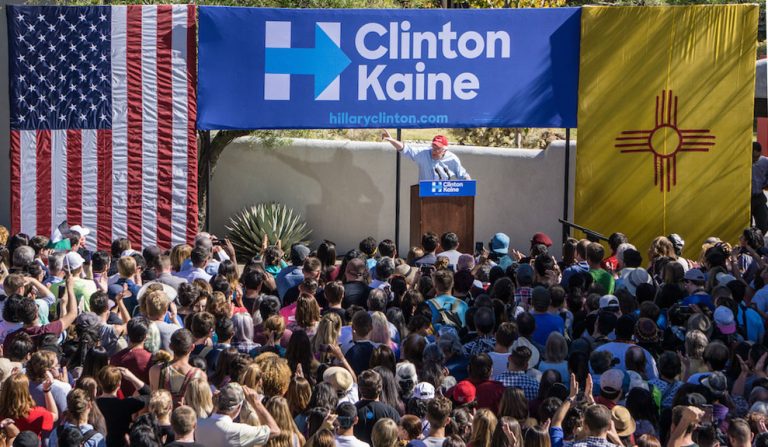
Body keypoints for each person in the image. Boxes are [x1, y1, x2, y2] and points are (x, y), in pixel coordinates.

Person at [194, 382, 280, 447]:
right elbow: (275, 431)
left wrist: (215, 407)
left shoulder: (198, 424)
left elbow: (210, 421)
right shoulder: (237, 431)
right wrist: (257, 403)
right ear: (238, 407)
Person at [382, 130, 470, 181]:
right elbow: (406, 149)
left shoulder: (452, 159)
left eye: (437, 149)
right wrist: (392, 140)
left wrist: (468, 182)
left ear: (444, 150)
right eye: (433, 147)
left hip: (445, 197)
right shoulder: (424, 154)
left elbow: (463, 176)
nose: (434, 151)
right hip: (425, 197)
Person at [752, 142, 768, 232]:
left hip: (758, 197)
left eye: (757, 157)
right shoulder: (742, 162)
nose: (755, 159)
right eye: (753, 157)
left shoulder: (765, 161)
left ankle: (756, 239)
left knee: (764, 224)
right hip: (744, 198)